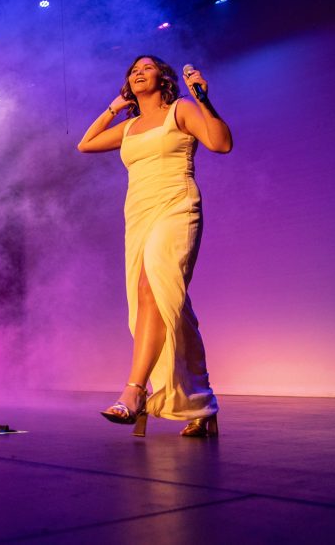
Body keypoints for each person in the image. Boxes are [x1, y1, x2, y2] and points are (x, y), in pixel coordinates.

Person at [77, 55, 232, 437]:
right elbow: (85, 144)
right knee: (166, 304)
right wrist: (115, 106)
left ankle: (134, 391)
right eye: (132, 71)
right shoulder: (128, 127)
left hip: (177, 204)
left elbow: (221, 143)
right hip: (139, 214)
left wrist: (205, 101)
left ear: (163, 78)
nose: (138, 73)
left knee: (153, 288)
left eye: (147, 68)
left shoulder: (181, 109)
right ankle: (202, 402)